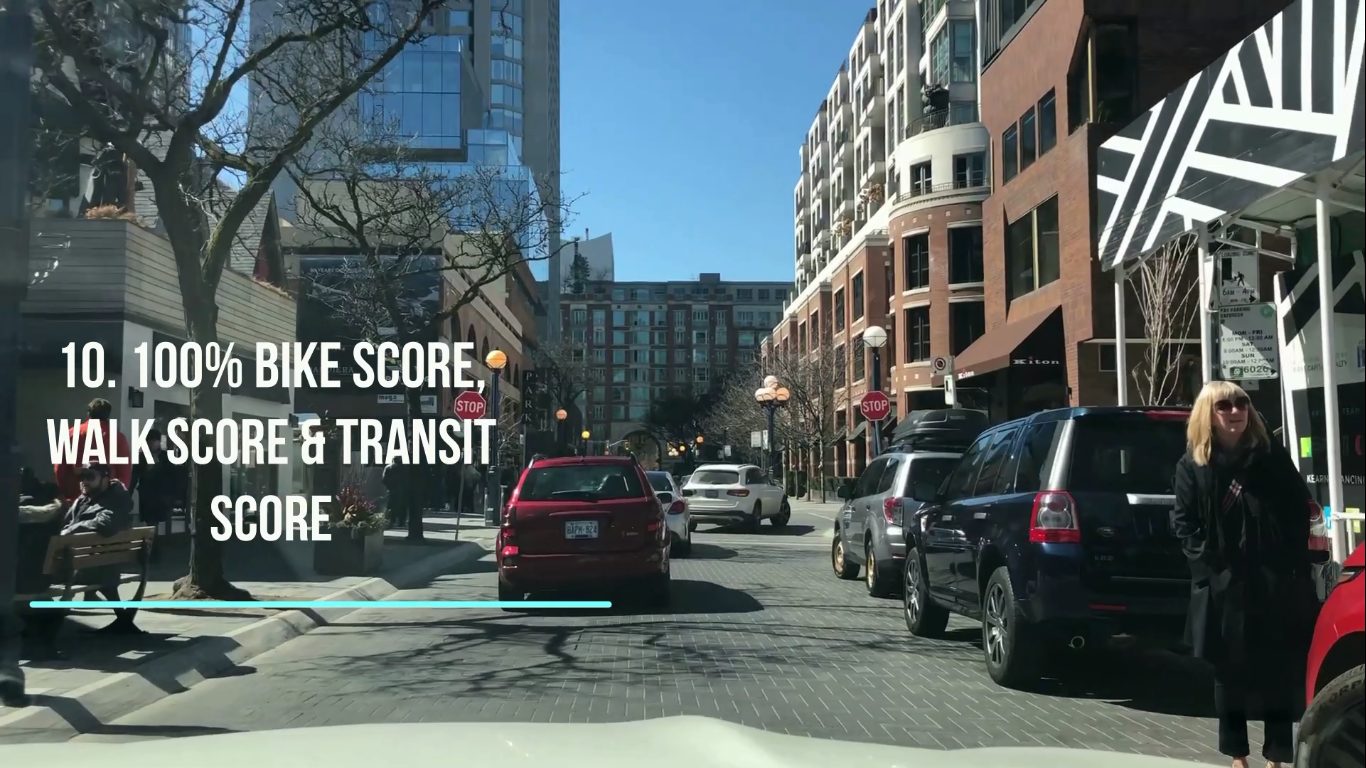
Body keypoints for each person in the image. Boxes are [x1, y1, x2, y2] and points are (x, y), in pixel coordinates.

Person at [1171, 380, 1317, 768]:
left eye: (1242, 403)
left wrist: (1288, 560)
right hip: (1224, 584)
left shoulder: (1270, 456)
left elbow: (1299, 507)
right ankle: (1237, 754)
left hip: (1271, 580)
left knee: (1278, 670)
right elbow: (1184, 524)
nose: (1235, 411)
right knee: (1228, 673)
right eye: (1225, 405)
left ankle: (1277, 756)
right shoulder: (1193, 466)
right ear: (1209, 414)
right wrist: (1211, 571)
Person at [63, 463, 141, 634]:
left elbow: (105, 523)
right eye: (81, 477)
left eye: (90, 477)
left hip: (91, 567)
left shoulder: (116, 499)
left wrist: (70, 530)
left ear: (105, 479)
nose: (84, 481)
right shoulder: (85, 498)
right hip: (88, 562)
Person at [54, 398, 132, 502]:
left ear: (88, 413)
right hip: (106, 499)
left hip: (76, 496)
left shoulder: (71, 433)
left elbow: (59, 469)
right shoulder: (118, 437)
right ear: (108, 415)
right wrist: (117, 496)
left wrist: (66, 493)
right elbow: (124, 472)